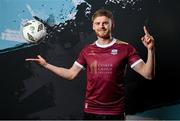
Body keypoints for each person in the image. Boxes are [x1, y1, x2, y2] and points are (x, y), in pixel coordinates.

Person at [26, 9, 155, 120]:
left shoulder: (125, 48)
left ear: (112, 25)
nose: (101, 26)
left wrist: (150, 49)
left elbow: (148, 75)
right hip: (91, 111)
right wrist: (46, 65)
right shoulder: (87, 51)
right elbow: (71, 74)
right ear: (93, 26)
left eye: (105, 23)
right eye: (98, 23)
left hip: (115, 112)